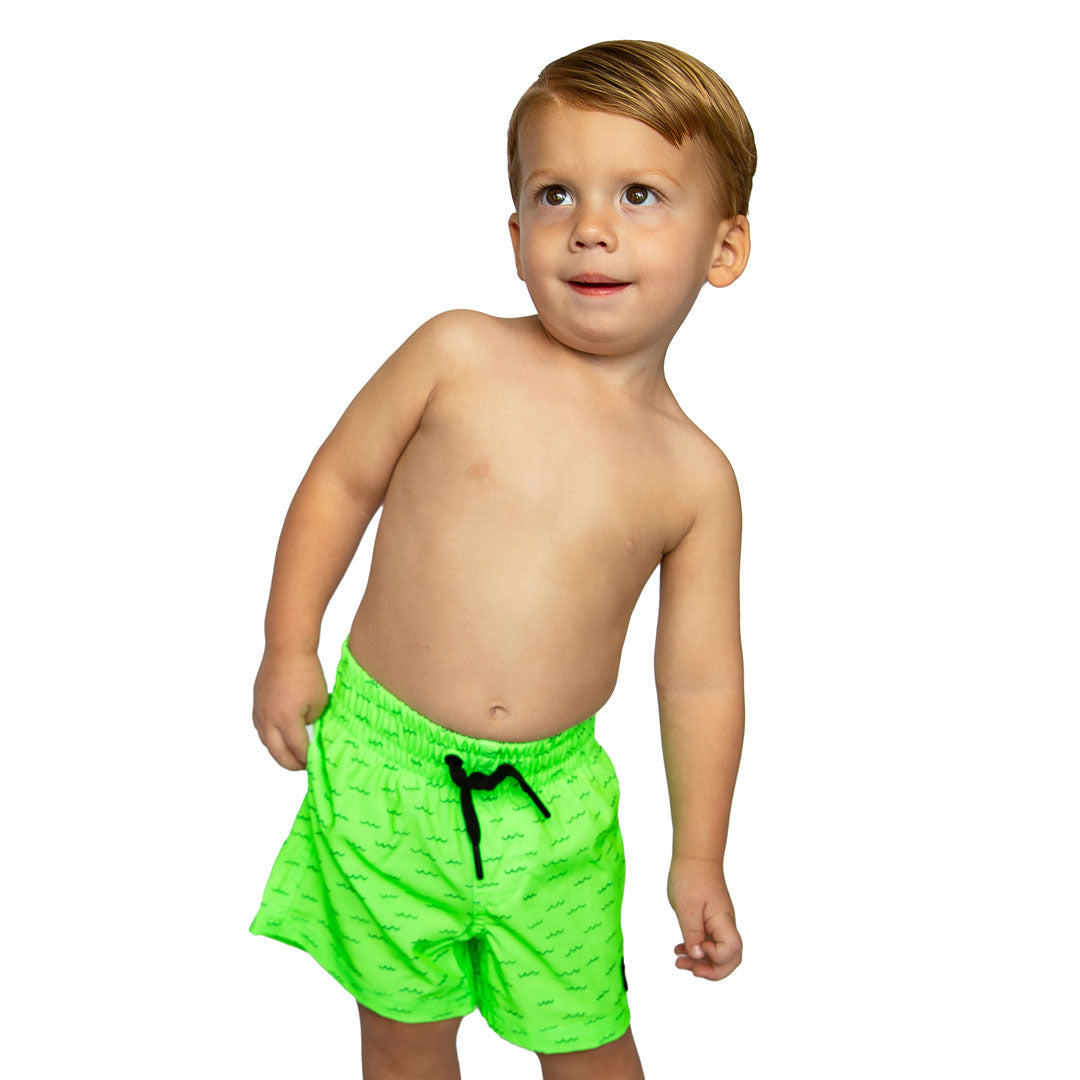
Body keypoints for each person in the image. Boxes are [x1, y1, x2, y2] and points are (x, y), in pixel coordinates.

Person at [249, 38, 755, 1080]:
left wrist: (699, 853)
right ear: (517, 234)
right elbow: (340, 483)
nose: (592, 227)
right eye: (556, 194)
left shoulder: (695, 477)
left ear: (725, 247)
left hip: (551, 811)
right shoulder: (457, 354)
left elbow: (700, 677)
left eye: (641, 195)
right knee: (400, 1037)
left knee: (588, 1045)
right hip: (382, 771)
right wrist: (288, 644)